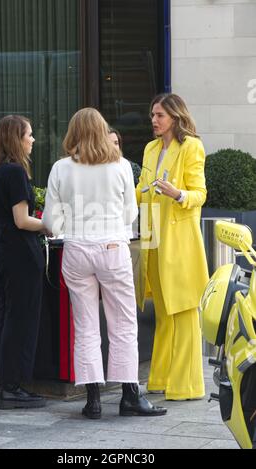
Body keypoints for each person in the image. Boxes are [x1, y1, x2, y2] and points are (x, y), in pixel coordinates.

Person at [43, 108, 167, 419]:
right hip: (112, 247)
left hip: (76, 249)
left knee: (85, 326)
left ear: (73, 132)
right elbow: (130, 214)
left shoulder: (60, 168)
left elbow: (50, 220)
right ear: (102, 131)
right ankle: (129, 395)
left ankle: (93, 400)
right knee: (123, 324)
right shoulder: (122, 166)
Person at [136, 94, 209, 401]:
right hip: (153, 239)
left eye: (160, 115)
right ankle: (161, 379)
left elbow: (199, 194)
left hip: (179, 241)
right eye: (153, 114)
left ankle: (186, 385)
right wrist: (141, 191)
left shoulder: (192, 146)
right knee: (164, 314)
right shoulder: (151, 148)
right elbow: (141, 189)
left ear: (176, 118)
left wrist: (177, 193)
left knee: (184, 312)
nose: (154, 120)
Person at [0, 115, 47, 410]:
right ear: (16, 139)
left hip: (0, 250)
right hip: (20, 254)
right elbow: (22, 221)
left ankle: (3, 385)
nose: (32, 139)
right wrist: (50, 225)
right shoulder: (15, 172)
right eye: (29, 135)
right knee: (20, 319)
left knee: (5, 316)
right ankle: (13, 386)